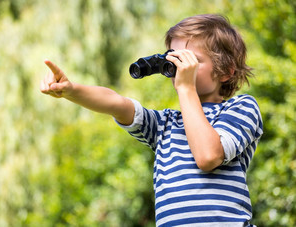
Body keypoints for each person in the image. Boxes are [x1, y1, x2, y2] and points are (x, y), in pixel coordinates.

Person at [40, 14, 263, 227]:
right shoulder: (165, 124)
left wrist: (185, 88)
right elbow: (117, 103)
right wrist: (71, 90)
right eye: (174, 59)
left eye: (191, 61)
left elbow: (207, 156)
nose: (180, 69)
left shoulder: (241, 107)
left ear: (225, 72)